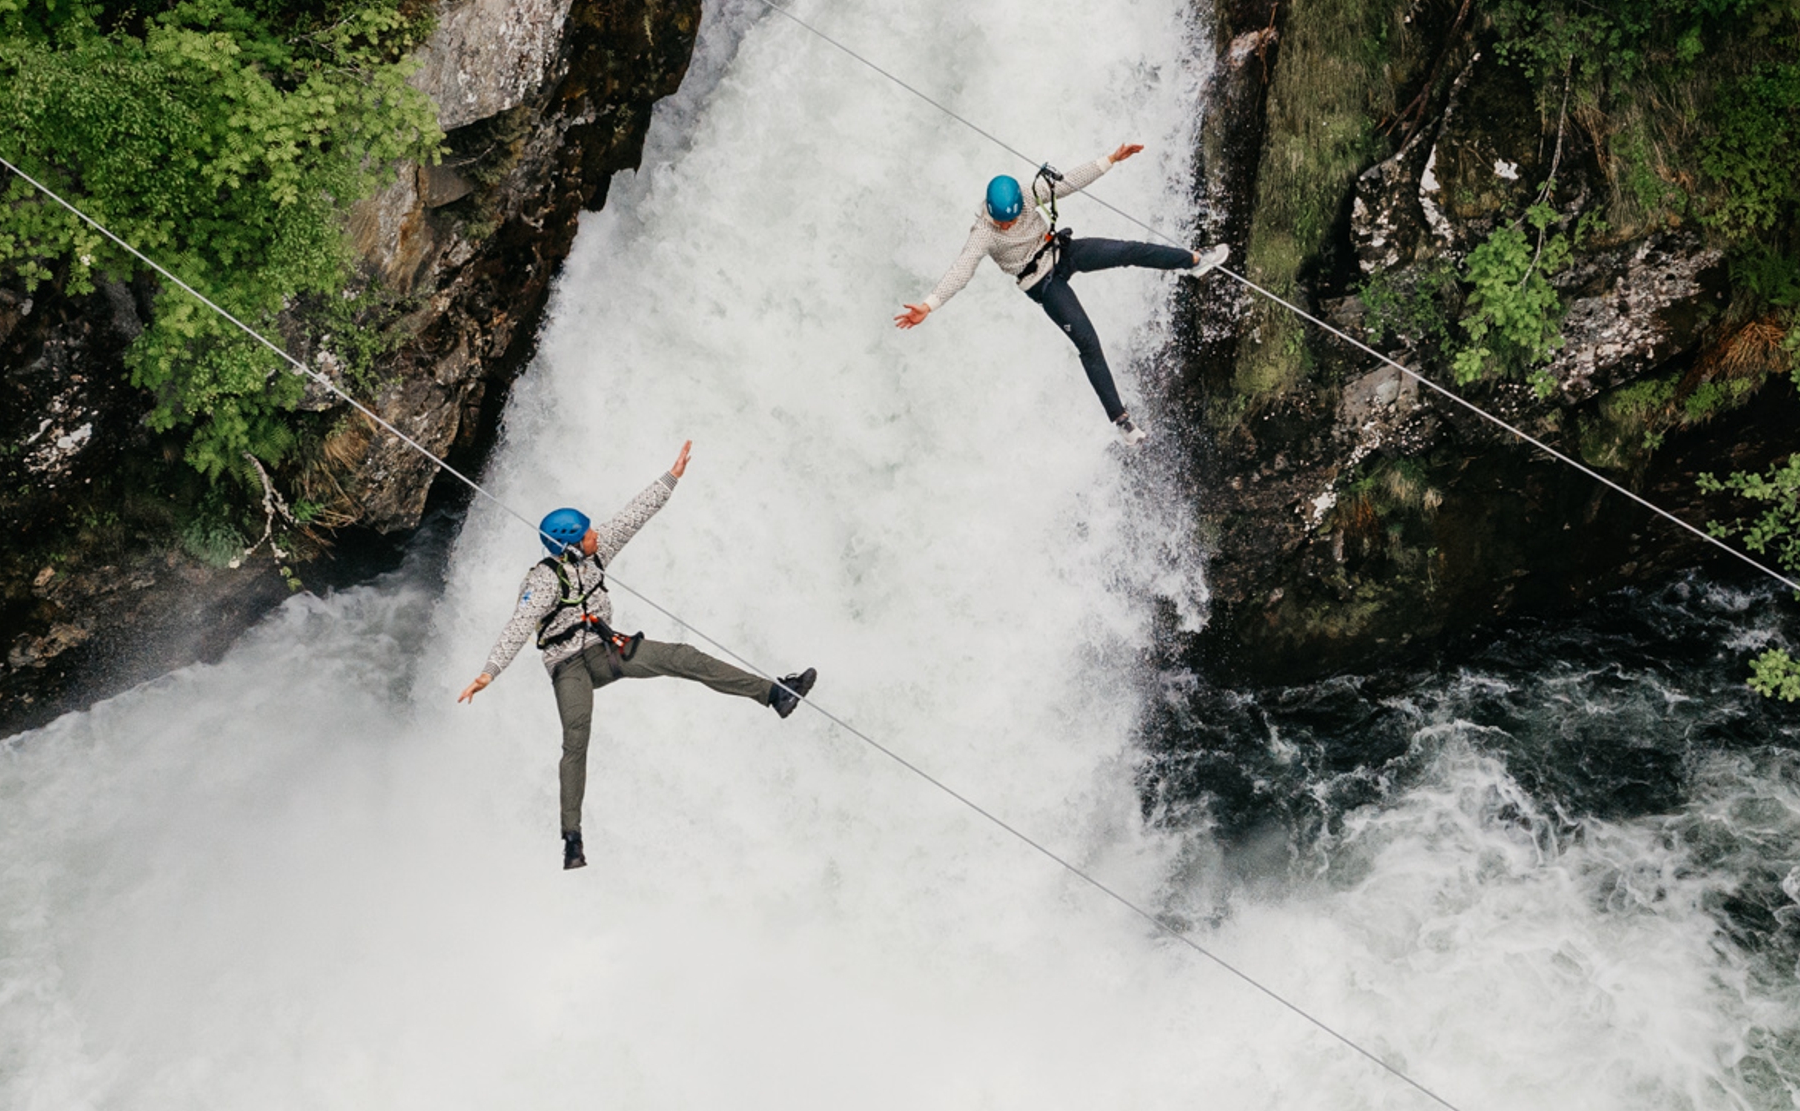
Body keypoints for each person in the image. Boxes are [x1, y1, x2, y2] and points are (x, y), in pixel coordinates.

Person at [454, 441, 816, 870]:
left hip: (608, 650)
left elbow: (633, 515)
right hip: (569, 667)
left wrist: (672, 477)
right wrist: (488, 673)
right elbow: (518, 625)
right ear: (570, 545)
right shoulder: (543, 581)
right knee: (577, 737)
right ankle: (572, 838)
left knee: (683, 657)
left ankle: (775, 695)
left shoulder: (597, 551)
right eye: (587, 533)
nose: (596, 535)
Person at [893, 141, 1230, 438]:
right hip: (1041, 283)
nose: (1007, 225)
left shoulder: (1025, 195)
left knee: (1129, 251)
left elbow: (1067, 182)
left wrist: (1111, 159)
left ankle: (1195, 261)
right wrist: (930, 304)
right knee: (1087, 341)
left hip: (1061, 251)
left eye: (1010, 220)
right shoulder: (984, 232)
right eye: (1003, 222)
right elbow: (963, 268)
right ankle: (1122, 421)